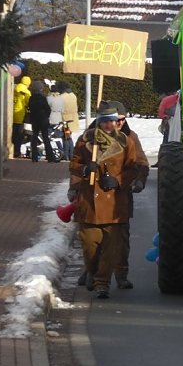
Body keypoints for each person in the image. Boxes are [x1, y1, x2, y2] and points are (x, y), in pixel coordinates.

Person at [68, 103, 141, 299]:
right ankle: (93, 272)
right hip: (89, 203)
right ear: (99, 122)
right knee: (90, 247)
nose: (110, 124)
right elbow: (74, 164)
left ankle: (102, 283)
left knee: (111, 250)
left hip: (115, 204)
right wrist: (84, 170)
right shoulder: (85, 141)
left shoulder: (126, 142)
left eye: (113, 120)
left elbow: (134, 168)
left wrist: (117, 181)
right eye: (106, 121)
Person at [109, 100, 149, 289]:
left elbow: (141, 162)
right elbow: (77, 164)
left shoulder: (130, 137)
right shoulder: (91, 137)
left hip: (120, 196)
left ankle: (121, 273)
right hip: (95, 196)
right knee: (93, 237)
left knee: (121, 238)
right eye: (114, 120)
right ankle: (92, 271)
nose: (118, 124)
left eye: (121, 120)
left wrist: (140, 179)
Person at [27, 79, 56, 162]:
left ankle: (34, 157)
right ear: (40, 88)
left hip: (34, 120)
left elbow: (29, 109)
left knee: (34, 138)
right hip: (43, 120)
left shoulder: (31, 98)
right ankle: (50, 157)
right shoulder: (42, 98)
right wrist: (46, 116)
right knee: (46, 138)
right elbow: (48, 109)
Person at [12, 75, 31, 158]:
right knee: (19, 136)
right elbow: (28, 103)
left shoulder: (15, 88)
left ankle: (12, 150)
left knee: (13, 134)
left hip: (13, 113)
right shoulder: (26, 92)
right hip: (21, 115)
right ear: (28, 83)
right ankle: (17, 152)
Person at [60, 82, 79, 160]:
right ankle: (71, 154)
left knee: (65, 138)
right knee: (69, 137)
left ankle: (66, 155)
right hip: (73, 119)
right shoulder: (73, 95)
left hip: (65, 119)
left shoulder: (62, 97)